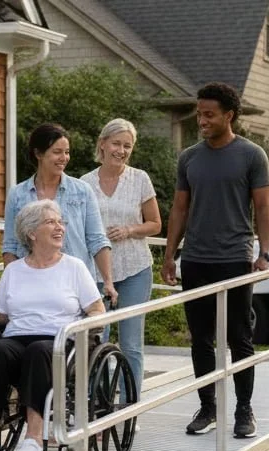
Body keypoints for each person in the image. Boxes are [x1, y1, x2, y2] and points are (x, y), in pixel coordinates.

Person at [161, 82, 269, 439]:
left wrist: (264, 253)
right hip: (195, 259)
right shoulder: (189, 157)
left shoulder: (252, 155)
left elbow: (264, 207)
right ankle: (208, 407)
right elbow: (179, 209)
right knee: (200, 339)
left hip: (234, 260)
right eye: (199, 113)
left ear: (229, 115)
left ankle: (244, 410)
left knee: (239, 338)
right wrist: (169, 256)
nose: (202, 120)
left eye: (209, 114)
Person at [0, 200, 105, 451]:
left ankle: (34, 440)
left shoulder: (74, 267)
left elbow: (97, 310)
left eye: (61, 222)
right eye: (51, 222)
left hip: (59, 342)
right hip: (16, 339)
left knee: (38, 352)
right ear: (31, 233)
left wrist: (80, 327)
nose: (60, 227)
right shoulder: (14, 271)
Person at [81, 118, 161, 399]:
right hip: (97, 274)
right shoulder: (84, 184)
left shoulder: (140, 179)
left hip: (135, 269)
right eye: (116, 144)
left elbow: (155, 224)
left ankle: (130, 408)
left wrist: (129, 230)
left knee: (131, 344)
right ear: (102, 144)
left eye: (127, 146)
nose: (122, 150)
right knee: (95, 342)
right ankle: (98, 407)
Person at [2, 123, 118, 306]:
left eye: (67, 152)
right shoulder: (17, 194)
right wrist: (11, 286)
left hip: (77, 285)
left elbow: (97, 239)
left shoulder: (82, 191)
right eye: (57, 152)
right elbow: (10, 245)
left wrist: (108, 282)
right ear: (38, 153)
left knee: (87, 333)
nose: (64, 158)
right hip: (33, 284)